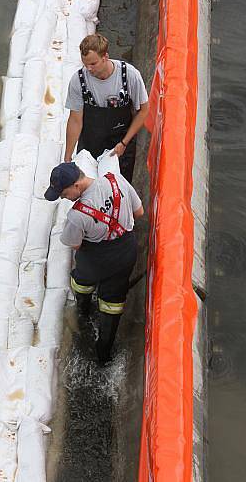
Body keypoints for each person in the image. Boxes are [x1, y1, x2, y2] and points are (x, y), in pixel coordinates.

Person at [44, 162, 144, 365]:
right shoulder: (117, 181)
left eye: (64, 194)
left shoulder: (77, 215)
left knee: (81, 282)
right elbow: (139, 212)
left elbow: (75, 244)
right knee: (113, 303)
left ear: (76, 186)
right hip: (126, 252)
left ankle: (83, 314)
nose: (64, 199)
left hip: (97, 260)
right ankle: (103, 356)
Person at [64, 33, 149, 183]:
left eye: (93, 64)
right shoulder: (78, 81)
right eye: (85, 64)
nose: (89, 69)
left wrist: (124, 143)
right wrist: (67, 157)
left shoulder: (129, 75)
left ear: (105, 57)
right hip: (91, 142)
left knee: (117, 188)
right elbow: (75, 120)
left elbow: (143, 111)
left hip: (120, 143)